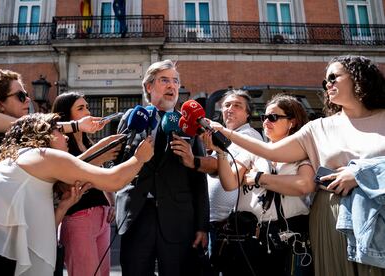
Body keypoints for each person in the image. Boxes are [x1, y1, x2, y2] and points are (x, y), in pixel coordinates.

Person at [210, 55, 385, 276]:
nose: (327, 84)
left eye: (333, 77)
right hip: (331, 217)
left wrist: (359, 174)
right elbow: (269, 151)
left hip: (379, 213)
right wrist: (224, 133)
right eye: (325, 81)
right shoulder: (318, 128)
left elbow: (303, 184)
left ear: (358, 78)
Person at [0, 113, 153, 276]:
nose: (65, 136)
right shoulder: (42, 155)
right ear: (42, 135)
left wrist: (63, 207)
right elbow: (113, 180)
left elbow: (43, 231)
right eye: (58, 130)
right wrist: (140, 158)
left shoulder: (25, 161)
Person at [116, 59, 209, 276]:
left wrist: (202, 225)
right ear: (149, 87)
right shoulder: (130, 119)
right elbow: (117, 167)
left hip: (178, 219)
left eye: (175, 81)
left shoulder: (189, 124)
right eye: (164, 80)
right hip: (137, 216)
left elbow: (199, 177)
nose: (172, 86)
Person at [207, 94, 314, 275]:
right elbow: (230, 183)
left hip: (289, 236)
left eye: (272, 117)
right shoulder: (255, 152)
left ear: (292, 122)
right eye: (264, 117)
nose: (265, 122)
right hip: (253, 237)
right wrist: (221, 153)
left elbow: (303, 185)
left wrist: (258, 178)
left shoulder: (303, 153)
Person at [170, 89, 263, 275]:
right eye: (227, 105)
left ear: (247, 113)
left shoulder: (248, 136)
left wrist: (193, 160)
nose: (230, 109)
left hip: (231, 229)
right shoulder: (222, 136)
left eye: (237, 106)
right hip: (214, 226)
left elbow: (223, 167)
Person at [51, 92, 119, 276]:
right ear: (66, 116)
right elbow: (69, 176)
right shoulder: (60, 145)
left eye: (87, 107)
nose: (87, 112)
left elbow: (101, 176)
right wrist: (100, 156)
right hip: (78, 217)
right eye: (80, 108)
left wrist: (112, 203)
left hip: (102, 216)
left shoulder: (89, 143)